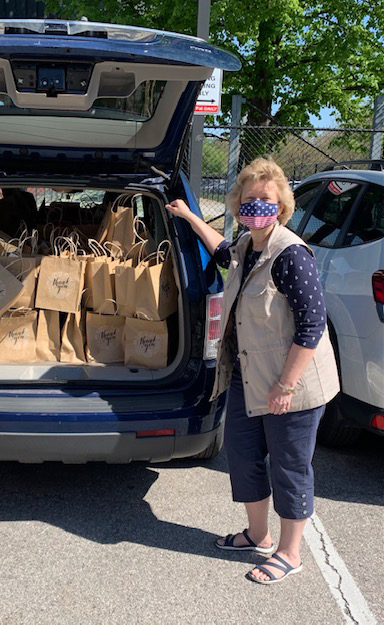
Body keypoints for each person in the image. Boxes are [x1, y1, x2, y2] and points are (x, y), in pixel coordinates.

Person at [167, 158, 339, 585]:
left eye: (265, 200)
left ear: (280, 204)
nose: (256, 206)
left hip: (290, 385)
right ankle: (257, 535)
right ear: (238, 206)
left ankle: (290, 552)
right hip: (248, 378)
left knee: (289, 466)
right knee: (244, 458)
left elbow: (313, 326)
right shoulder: (246, 246)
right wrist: (189, 216)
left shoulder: (290, 254)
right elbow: (219, 249)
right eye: (248, 200)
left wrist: (286, 384)